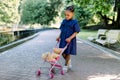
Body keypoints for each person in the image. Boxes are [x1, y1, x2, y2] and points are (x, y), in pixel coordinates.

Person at [56, 5, 80, 72]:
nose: (66, 16)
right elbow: (62, 30)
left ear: (72, 14)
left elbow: (76, 32)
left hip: (70, 40)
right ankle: (68, 60)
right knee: (62, 53)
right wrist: (59, 37)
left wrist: (70, 38)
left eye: (68, 15)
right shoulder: (64, 21)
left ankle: (66, 65)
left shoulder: (75, 22)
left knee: (68, 53)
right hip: (63, 39)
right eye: (65, 15)